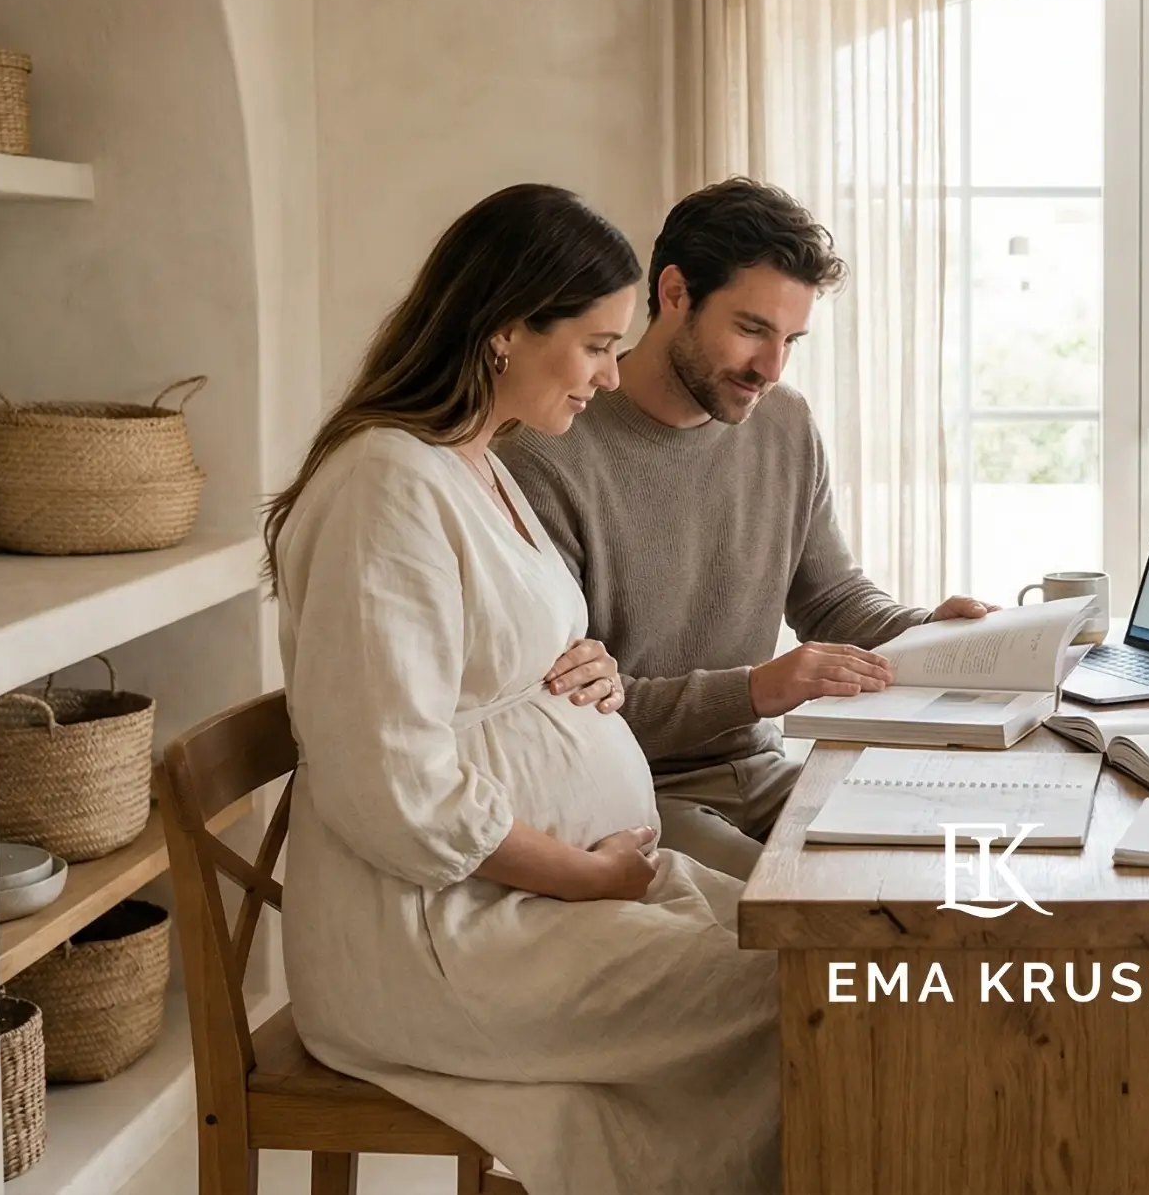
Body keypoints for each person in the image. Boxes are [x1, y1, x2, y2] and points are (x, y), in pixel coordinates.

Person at [264, 184, 778, 1194]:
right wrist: (585, 877)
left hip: (528, 895)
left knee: (817, 964)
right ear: (504, 330)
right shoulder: (385, 486)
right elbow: (391, 784)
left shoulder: (478, 464)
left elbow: (497, 657)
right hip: (439, 932)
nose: (610, 373)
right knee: (787, 1005)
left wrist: (586, 666)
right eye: (593, 344)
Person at [501, 177, 994, 879]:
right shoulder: (544, 453)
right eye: (752, 330)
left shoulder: (785, 423)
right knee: (815, 904)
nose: (770, 368)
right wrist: (756, 689)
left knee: (941, 868)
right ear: (675, 294)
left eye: (790, 338)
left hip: (766, 771)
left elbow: (831, 600)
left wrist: (930, 630)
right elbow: (565, 708)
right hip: (634, 789)